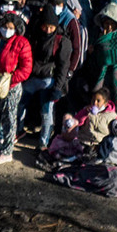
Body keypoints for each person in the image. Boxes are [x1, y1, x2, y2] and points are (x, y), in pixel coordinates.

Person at [0, 8, 33, 163]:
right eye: (4, 27)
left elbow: (26, 68)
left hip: (11, 85)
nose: (6, 30)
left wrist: (10, 79)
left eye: (10, 28)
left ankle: (7, 151)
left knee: (8, 118)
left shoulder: (22, 43)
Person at [28, 11, 78, 151]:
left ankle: (44, 141)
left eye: (51, 27)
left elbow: (63, 67)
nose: (48, 30)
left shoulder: (62, 42)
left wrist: (58, 88)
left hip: (51, 80)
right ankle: (18, 130)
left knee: (46, 111)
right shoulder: (36, 37)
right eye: (45, 27)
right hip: (34, 77)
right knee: (20, 101)